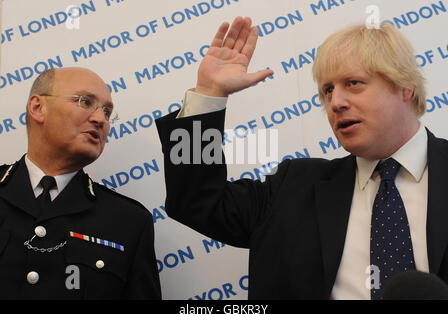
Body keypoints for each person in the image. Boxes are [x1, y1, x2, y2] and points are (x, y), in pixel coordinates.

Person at [156, 16, 448, 299]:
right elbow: (194, 202)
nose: (336, 102)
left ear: (405, 87)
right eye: (328, 90)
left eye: (354, 83)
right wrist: (209, 94)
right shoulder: (292, 187)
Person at [0, 67, 161, 299]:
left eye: (107, 112)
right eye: (85, 102)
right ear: (38, 107)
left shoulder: (129, 221)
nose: (100, 119)